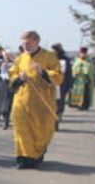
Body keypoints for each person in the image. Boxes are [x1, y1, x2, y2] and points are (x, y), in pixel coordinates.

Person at [8, 31, 63, 169]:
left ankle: (36, 156)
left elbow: (58, 77)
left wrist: (43, 72)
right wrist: (19, 79)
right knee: (21, 130)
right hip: (21, 101)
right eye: (23, 43)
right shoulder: (21, 58)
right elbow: (12, 75)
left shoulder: (49, 56)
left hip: (41, 102)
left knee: (40, 131)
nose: (25, 45)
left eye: (28, 43)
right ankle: (23, 159)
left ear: (36, 42)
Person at [50, 43, 73, 124]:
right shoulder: (50, 58)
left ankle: (59, 114)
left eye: (54, 50)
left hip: (63, 83)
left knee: (60, 100)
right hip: (52, 83)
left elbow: (69, 73)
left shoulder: (65, 59)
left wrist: (70, 85)